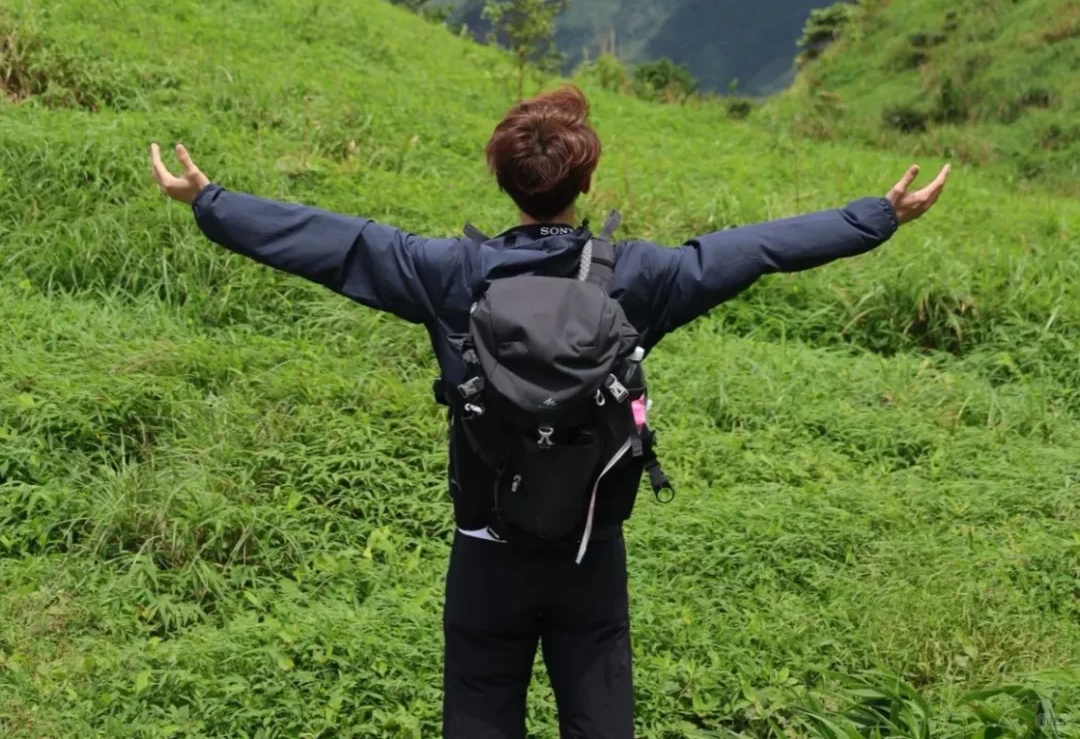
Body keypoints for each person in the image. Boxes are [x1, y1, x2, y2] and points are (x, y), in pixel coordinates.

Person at [151, 84, 949, 739]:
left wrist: (211, 202)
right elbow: (749, 250)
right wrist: (874, 215)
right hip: (590, 550)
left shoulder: (447, 272)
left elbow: (339, 244)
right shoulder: (638, 277)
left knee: (479, 712)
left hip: (484, 549)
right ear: (585, 185)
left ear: (503, 182)